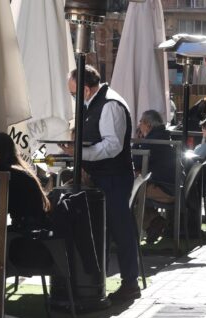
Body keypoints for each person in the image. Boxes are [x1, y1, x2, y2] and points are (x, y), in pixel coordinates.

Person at [62, 65, 141, 301]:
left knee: (120, 228)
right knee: (105, 228)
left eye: (74, 93)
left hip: (114, 176)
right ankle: (99, 282)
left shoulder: (110, 104)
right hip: (104, 175)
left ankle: (130, 282)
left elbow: (112, 145)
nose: (73, 98)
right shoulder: (97, 102)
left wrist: (80, 154)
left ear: (86, 90)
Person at [0, 132, 50, 229]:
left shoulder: (3, 173)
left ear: (2, 152)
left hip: (25, 233)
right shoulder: (15, 170)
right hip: (32, 228)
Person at [132, 110, 177, 244]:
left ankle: (153, 223)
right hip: (169, 186)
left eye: (140, 122)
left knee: (127, 192)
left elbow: (137, 160)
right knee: (133, 189)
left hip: (165, 189)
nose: (139, 125)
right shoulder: (161, 136)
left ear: (147, 124)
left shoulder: (153, 139)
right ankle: (154, 222)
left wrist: (137, 141)